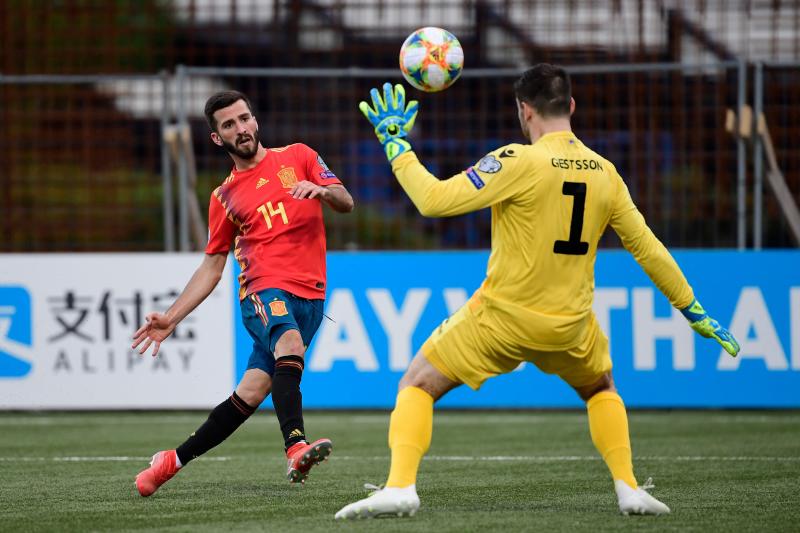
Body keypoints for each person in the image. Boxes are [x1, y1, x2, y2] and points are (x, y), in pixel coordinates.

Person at [335, 65, 740, 519]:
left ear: (524, 110)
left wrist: (396, 144)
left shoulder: (517, 160)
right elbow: (647, 248)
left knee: (417, 384)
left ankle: (400, 487)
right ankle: (628, 488)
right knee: (601, 388)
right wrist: (691, 308)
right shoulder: (605, 173)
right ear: (571, 105)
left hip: (500, 321)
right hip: (570, 327)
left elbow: (434, 200)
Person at [132, 90, 354, 497]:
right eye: (229, 125)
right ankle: (295, 447)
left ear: (255, 120)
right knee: (290, 345)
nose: (242, 128)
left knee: (251, 392)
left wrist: (322, 191)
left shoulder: (300, 156)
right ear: (218, 138)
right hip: (263, 290)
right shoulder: (224, 197)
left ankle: (170, 462)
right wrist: (172, 317)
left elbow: (346, 201)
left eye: (245, 118)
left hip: (312, 298)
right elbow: (212, 265)